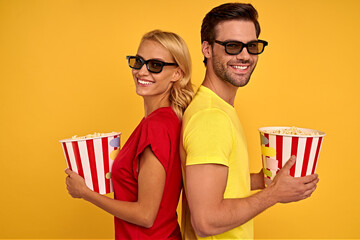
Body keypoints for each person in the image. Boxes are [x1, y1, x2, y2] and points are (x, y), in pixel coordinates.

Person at [180, 3, 319, 239]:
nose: (245, 55)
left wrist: (269, 181)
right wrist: (273, 194)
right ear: (207, 49)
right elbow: (206, 221)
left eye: (252, 46)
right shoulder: (211, 118)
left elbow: (224, 183)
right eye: (232, 46)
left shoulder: (219, 108)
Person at [65, 30, 194, 240]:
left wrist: (85, 193)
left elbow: (146, 215)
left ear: (177, 73)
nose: (141, 71)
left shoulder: (156, 127)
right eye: (138, 61)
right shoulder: (168, 120)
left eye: (155, 65)